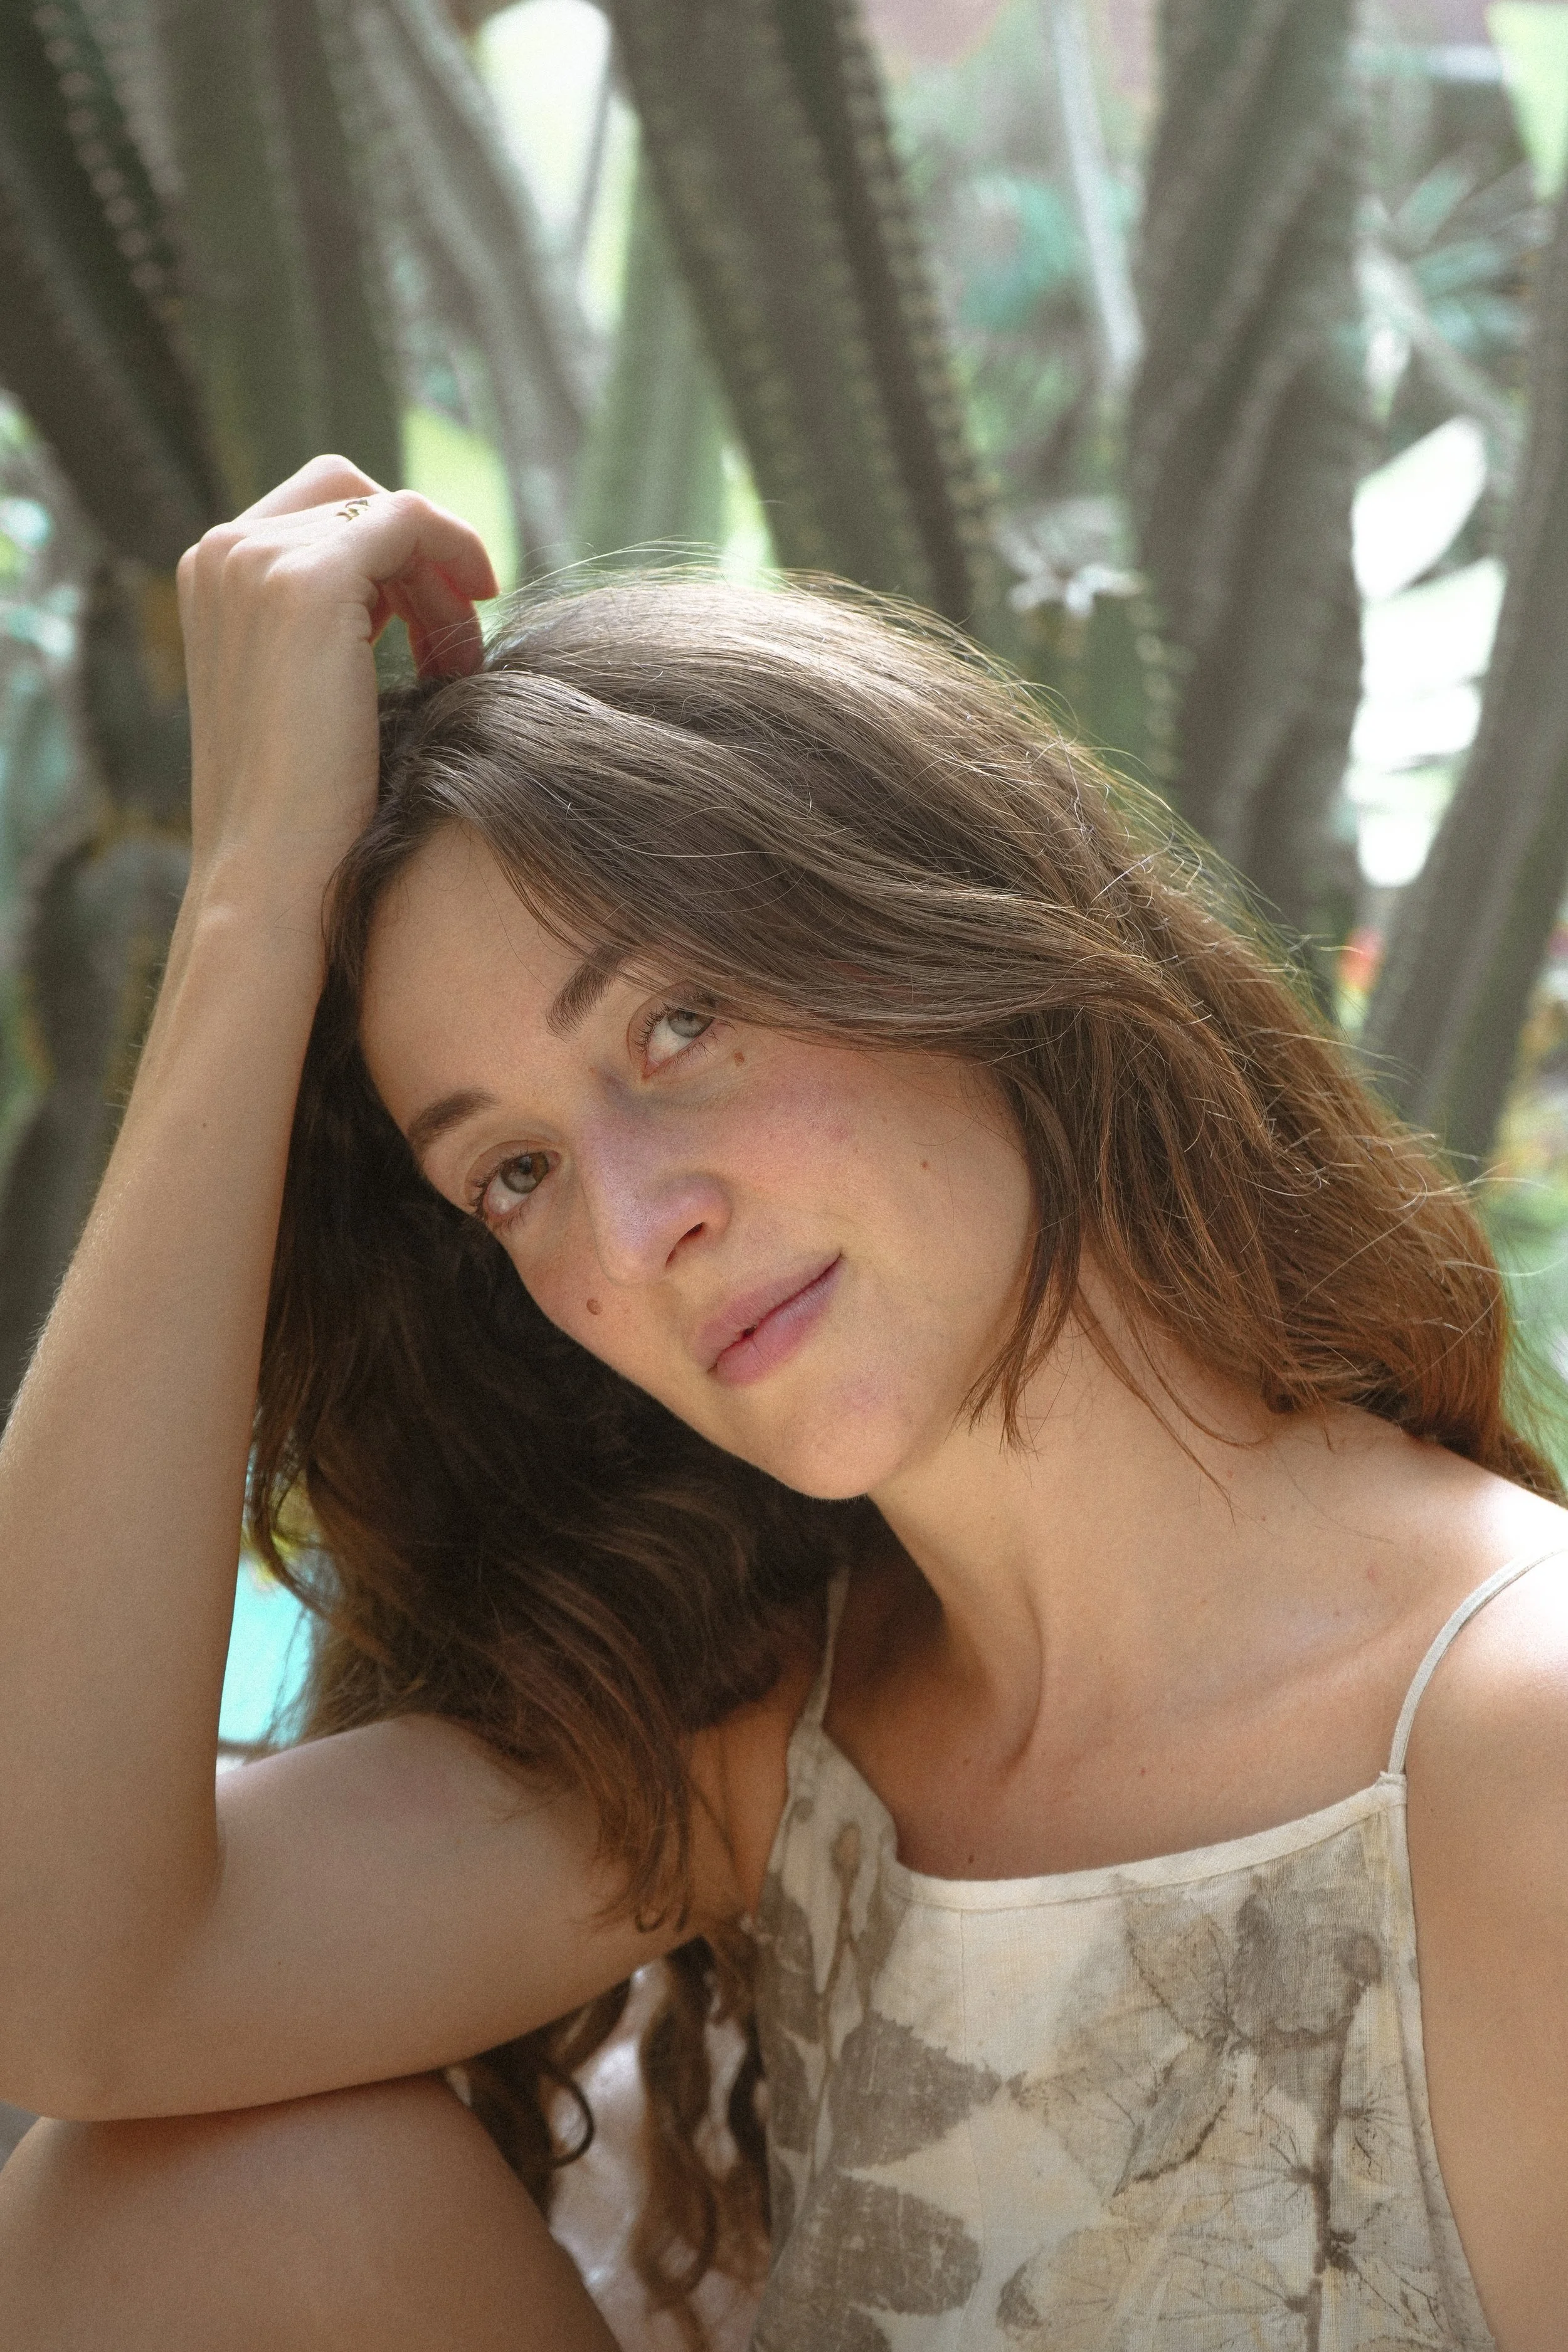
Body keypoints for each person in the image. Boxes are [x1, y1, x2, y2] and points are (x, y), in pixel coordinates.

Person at [0, 454, 1564, 2352]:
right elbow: (68, 1971)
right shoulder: (784, 1747)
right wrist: (249, 898)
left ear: (944, 924)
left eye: (676, 1024)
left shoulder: (1508, 1745)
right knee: (185, 2199)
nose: (642, 1226)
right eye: (510, 1173)